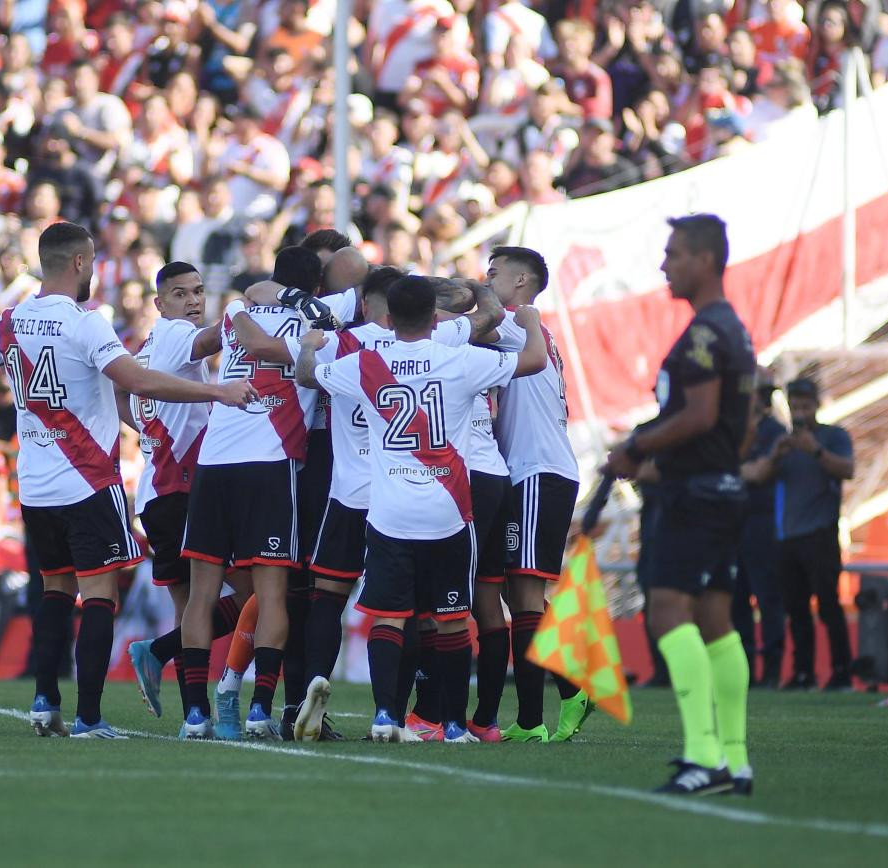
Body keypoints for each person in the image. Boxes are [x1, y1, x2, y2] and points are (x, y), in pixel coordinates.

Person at [0, 221, 256, 740]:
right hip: (86, 477)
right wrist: (219, 394)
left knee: (54, 590)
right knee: (100, 596)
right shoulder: (87, 322)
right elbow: (134, 380)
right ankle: (88, 716)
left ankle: (44, 702)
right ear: (81, 264)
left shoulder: (10, 319)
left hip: (35, 481)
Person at [237, 267, 504, 741]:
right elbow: (489, 317)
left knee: (328, 598)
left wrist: (306, 338)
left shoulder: (346, 345)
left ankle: (306, 693)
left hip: (351, 493)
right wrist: (470, 289)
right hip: (411, 493)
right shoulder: (443, 338)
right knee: (423, 614)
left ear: (367, 305)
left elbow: (300, 369)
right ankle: (401, 712)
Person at [295, 275, 549, 743]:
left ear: (388, 321)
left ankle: (385, 717)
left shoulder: (365, 364)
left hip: (388, 510)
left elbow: (307, 374)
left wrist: (311, 345)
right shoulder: (460, 359)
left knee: (388, 617)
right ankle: (454, 725)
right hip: (449, 510)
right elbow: (534, 359)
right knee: (452, 620)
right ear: (437, 319)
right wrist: (531, 322)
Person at [605, 214, 756, 795]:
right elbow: (734, 430)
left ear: (705, 260)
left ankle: (704, 756)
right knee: (717, 624)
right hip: (718, 488)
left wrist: (637, 446)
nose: (664, 265)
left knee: (668, 609)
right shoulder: (733, 330)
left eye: (674, 254)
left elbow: (699, 416)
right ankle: (734, 759)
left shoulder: (702, 335)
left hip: (693, 499)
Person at [177, 246, 323, 741]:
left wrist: (239, 305)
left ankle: (195, 714)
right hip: (270, 463)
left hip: (215, 461)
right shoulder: (314, 328)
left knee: (201, 592)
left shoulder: (240, 316)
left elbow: (243, 333)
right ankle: (260, 707)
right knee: (271, 593)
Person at [123, 262, 251, 728]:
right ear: (160, 305)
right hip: (183, 489)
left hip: (156, 492)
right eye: (180, 294)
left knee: (189, 607)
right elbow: (208, 340)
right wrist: (246, 311)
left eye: (198, 291)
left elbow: (121, 393)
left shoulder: (142, 351)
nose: (193, 301)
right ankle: (159, 655)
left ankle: (194, 714)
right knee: (255, 592)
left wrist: (146, 431)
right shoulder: (176, 334)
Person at [481, 246, 586, 744]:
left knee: (524, 595)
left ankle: (530, 720)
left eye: (494, 273)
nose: (486, 280)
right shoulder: (525, 327)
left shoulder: (517, 323)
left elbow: (464, 315)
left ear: (522, 282)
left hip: (538, 469)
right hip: (530, 469)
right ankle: (570, 688)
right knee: (514, 592)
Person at [759, 377, 855, 690]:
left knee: (828, 605)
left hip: (820, 533)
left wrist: (815, 452)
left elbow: (848, 469)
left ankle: (842, 672)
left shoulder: (833, 436)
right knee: (796, 609)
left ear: (816, 405)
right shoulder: (784, 444)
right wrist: (776, 455)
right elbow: (760, 475)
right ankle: (803, 673)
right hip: (788, 537)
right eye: (795, 406)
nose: (800, 412)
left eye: (805, 406)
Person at [736, 370, 788, 687]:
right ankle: (745, 670)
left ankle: (770, 670)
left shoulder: (773, 431)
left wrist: (733, 472)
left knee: (767, 597)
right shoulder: (739, 431)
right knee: (736, 598)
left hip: (762, 522)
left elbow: (757, 474)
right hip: (736, 523)